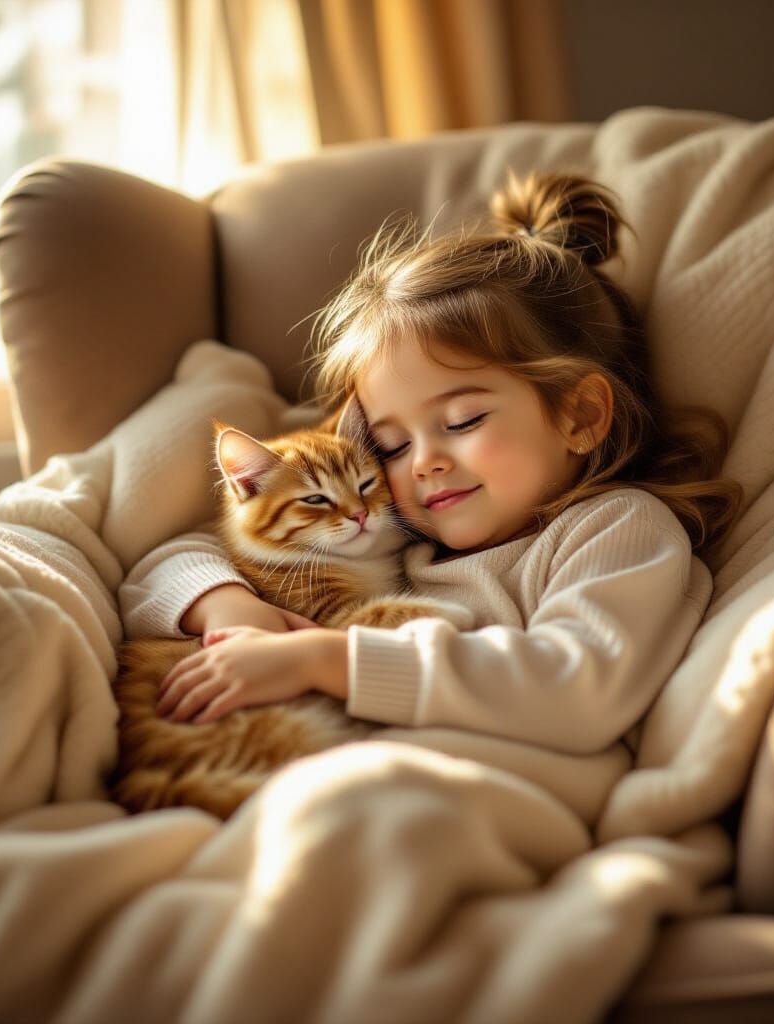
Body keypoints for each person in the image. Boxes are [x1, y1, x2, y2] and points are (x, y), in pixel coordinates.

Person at [119, 170, 742, 750]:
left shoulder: (617, 527)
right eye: (390, 445)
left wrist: (324, 659)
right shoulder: (411, 533)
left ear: (579, 416)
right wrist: (234, 609)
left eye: (463, 421)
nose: (421, 465)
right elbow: (164, 562)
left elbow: (578, 689)